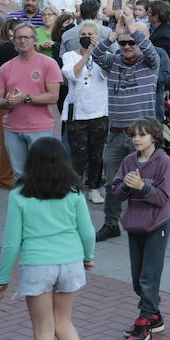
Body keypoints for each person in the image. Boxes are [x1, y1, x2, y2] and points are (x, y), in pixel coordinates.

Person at [0, 137, 95, 340]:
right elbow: (87, 231)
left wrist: (2, 279)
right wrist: (88, 257)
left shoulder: (19, 195)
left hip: (38, 265)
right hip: (70, 261)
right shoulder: (73, 193)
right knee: (65, 322)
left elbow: (12, 242)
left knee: (43, 330)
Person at [105, 117, 170, 340]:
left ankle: (144, 321)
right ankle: (155, 316)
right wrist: (125, 185)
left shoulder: (164, 162)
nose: (136, 139)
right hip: (135, 224)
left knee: (149, 276)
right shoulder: (128, 161)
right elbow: (116, 192)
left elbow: (163, 198)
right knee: (137, 278)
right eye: (134, 135)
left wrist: (142, 187)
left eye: (142, 135)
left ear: (154, 137)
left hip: (156, 225)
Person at [0, 20, 63, 181]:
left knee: (41, 176)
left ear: (35, 39)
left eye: (26, 37)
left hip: (40, 128)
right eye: (18, 38)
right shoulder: (6, 67)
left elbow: (53, 96)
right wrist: (7, 102)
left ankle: (40, 206)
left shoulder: (48, 64)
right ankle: (23, 206)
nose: (22, 41)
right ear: (13, 41)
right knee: (19, 175)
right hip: (12, 128)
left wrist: (26, 98)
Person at [59, 21, 109, 204]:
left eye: (90, 34)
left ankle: (94, 188)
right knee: (77, 154)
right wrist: (87, 54)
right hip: (77, 113)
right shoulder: (69, 56)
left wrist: (98, 52)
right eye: (83, 34)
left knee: (96, 154)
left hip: (99, 112)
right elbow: (73, 74)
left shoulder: (104, 55)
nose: (86, 37)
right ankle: (74, 188)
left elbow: (106, 73)